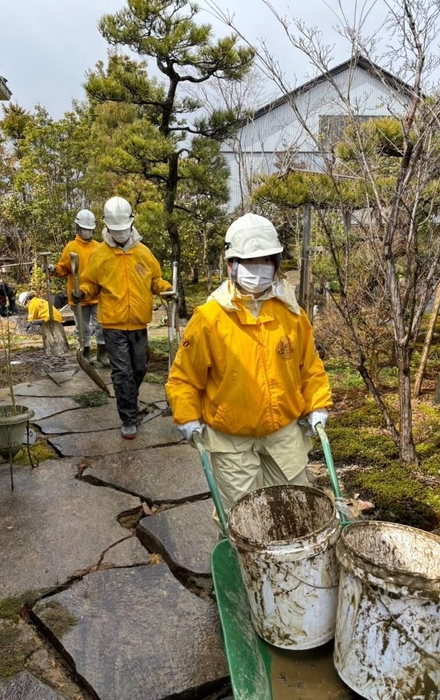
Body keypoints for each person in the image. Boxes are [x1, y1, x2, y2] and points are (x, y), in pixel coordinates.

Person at [166, 212, 332, 521]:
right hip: (230, 438)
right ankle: (242, 567)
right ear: (231, 265)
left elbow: (309, 366)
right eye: (249, 262)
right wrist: (187, 417)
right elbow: (184, 379)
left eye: (266, 261)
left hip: (282, 431)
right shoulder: (210, 319)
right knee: (240, 518)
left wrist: (318, 405)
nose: (258, 270)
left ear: (276, 264)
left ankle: (288, 565)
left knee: (294, 508)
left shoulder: (292, 315)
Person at [73, 196, 172, 440]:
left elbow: (155, 280)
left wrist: (166, 289)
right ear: (106, 226)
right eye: (115, 230)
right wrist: (82, 292)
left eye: (123, 229)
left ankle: (128, 396)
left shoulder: (143, 252)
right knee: (122, 372)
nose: (120, 234)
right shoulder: (100, 254)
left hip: (139, 323)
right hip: (113, 324)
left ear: (131, 224)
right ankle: (128, 417)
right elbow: (89, 283)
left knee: (139, 368)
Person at [47, 209, 109, 366]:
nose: (87, 232)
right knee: (83, 329)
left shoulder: (99, 247)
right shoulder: (71, 247)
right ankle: (85, 354)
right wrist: (54, 269)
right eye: (84, 229)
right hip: (77, 297)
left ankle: (103, 354)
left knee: (101, 325)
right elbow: (63, 268)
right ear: (78, 228)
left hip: (96, 296)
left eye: (89, 229)